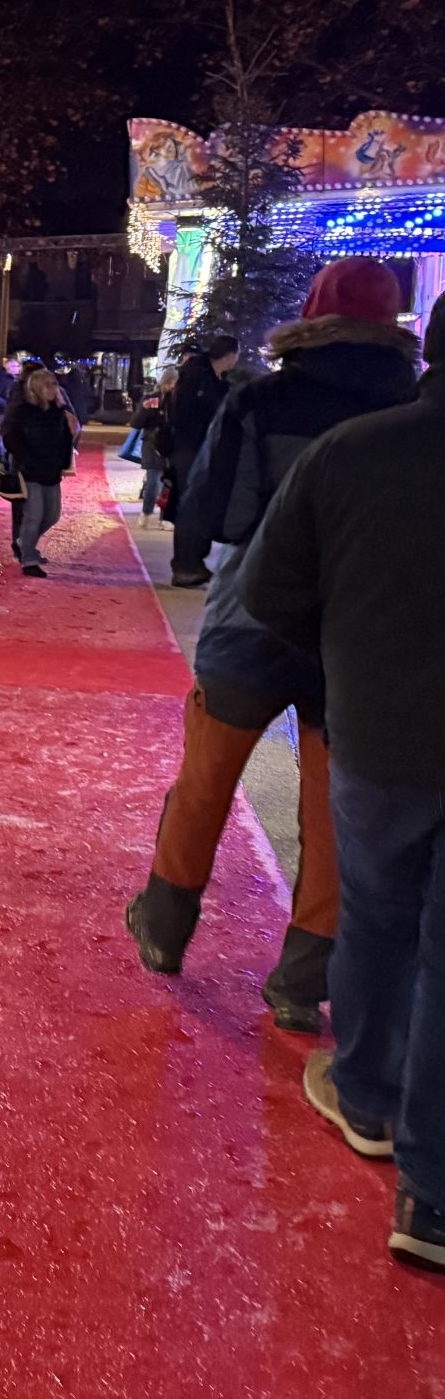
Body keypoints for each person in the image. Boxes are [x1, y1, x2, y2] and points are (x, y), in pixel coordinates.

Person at [125, 259, 418, 1033]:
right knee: (329, 803)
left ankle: (165, 923)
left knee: (207, 773)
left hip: (252, 612)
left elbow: (219, 507)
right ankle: (302, 973)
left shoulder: (263, 399)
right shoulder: (408, 407)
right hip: (354, 628)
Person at [239, 294, 445, 1271]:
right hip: (386, 731)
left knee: (377, 913)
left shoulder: (354, 453)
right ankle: (432, 1195)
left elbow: (266, 587)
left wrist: (345, 647)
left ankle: (367, 1096)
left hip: (382, 732)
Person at [164, 331, 241, 586]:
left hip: (195, 447)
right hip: (192, 448)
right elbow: (191, 414)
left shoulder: (208, 377)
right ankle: (187, 564)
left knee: (196, 502)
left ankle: (193, 561)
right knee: (192, 503)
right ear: (230, 356)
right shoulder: (199, 378)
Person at [0, 363, 77, 576]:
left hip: (52, 470)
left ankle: (25, 541)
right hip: (30, 470)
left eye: (54, 385)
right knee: (34, 514)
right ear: (36, 388)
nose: (54, 389)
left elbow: (66, 437)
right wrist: (26, 460)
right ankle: (29, 559)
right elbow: (10, 436)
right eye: (48, 386)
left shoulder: (56, 411)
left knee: (52, 515)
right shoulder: (23, 410)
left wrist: (63, 460)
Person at [128, 369, 174, 522]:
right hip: (152, 443)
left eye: (174, 383)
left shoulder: (180, 399)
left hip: (172, 445)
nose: (171, 387)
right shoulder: (151, 398)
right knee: (153, 480)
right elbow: (136, 423)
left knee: (169, 484)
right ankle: (147, 511)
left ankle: (165, 517)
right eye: (169, 383)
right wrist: (145, 409)